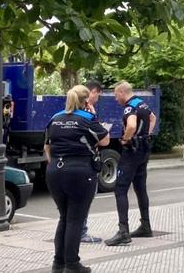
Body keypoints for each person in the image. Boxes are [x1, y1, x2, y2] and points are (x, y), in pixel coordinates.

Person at [44, 85, 110, 273]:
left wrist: (56, 163)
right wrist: (93, 115)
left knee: (64, 218)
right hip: (80, 171)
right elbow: (104, 141)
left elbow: (47, 148)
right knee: (75, 220)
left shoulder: (54, 119)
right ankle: (72, 265)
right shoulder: (87, 118)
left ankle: (58, 264)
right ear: (86, 101)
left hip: (55, 170)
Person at [105, 81, 157, 246]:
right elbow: (152, 118)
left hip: (131, 151)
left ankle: (123, 231)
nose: (115, 98)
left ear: (121, 92)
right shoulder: (142, 104)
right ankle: (145, 225)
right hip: (144, 149)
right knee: (140, 188)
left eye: (115, 94)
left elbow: (132, 125)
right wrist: (146, 135)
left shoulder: (129, 107)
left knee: (120, 189)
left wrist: (125, 139)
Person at [80, 80, 104, 244]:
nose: (98, 98)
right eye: (98, 95)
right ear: (92, 92)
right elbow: (103, 140)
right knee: (84, 199)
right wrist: (95, 117)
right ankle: (82, 232)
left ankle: (73, 232)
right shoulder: (88, 114)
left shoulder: (61, 116)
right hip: (85, 163)